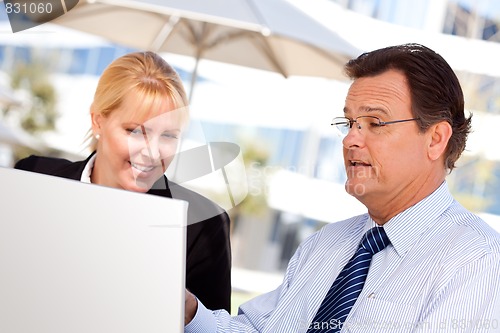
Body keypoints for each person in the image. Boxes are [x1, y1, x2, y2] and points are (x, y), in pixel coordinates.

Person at [184, 43, 500, 332]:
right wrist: (189, 313)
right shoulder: (324, 244)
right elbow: (257, 329)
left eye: (375, 123)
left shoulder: (477, 262)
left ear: (435, 139)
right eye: (350, 123)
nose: (350, 139)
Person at [14, 51, 232, 312]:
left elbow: (210, 328)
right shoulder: (33, 177)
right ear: (98, 120)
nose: (153, 152)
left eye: (169, 136)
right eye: (135, 131)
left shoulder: (202, 225)